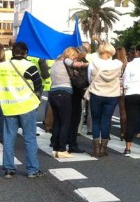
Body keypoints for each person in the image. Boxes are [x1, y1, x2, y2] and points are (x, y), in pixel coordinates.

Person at [1, 42, 44, 178]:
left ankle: (8, 169)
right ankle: (33, 170)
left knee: (8, 139)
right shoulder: (29, 66)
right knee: (30, 138)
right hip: (27, 106)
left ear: (12, 52)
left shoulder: (2, 67)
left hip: (8, 106)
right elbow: (38, 85)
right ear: (26, 52)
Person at [48, 47, 87, 158]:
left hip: (53, 92)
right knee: (65, 122)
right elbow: (75, 64)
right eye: (75, 56)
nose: (75, 59)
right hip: (64, 93)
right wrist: (85, 65)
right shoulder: (66, 60)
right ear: (71, 54)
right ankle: (62, 149)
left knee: (57, 122)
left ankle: (55, 147)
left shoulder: (56, 62)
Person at [87, 42, 123, 158]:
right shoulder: (118, 64)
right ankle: (104, 148)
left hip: (96, 93)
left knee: (96, 120)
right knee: (106, 120)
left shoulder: (93, 64)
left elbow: (89, 79)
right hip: (112, 95)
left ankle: (96, 148)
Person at [114, 47, 128, 140]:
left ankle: (105, 133)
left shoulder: (113, 63)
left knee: (109, 111)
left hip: (113, 88)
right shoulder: (127, 64)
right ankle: (123, 132)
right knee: (123, 112)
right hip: (124, 89)